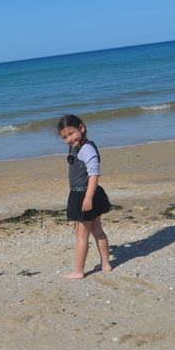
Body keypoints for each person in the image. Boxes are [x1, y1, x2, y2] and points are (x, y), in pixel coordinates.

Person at [57, 114, 112, 279]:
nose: (69, 139)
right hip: (86, 194)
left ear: (81, 128)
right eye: (64, 137)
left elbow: (94, 173)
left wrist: (88, 197)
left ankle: (78, 271)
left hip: (85, 195)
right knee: (97, 230)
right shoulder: (78, 147)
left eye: (71, 133)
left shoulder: (87, 149)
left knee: (82, 235)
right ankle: (106, 264)